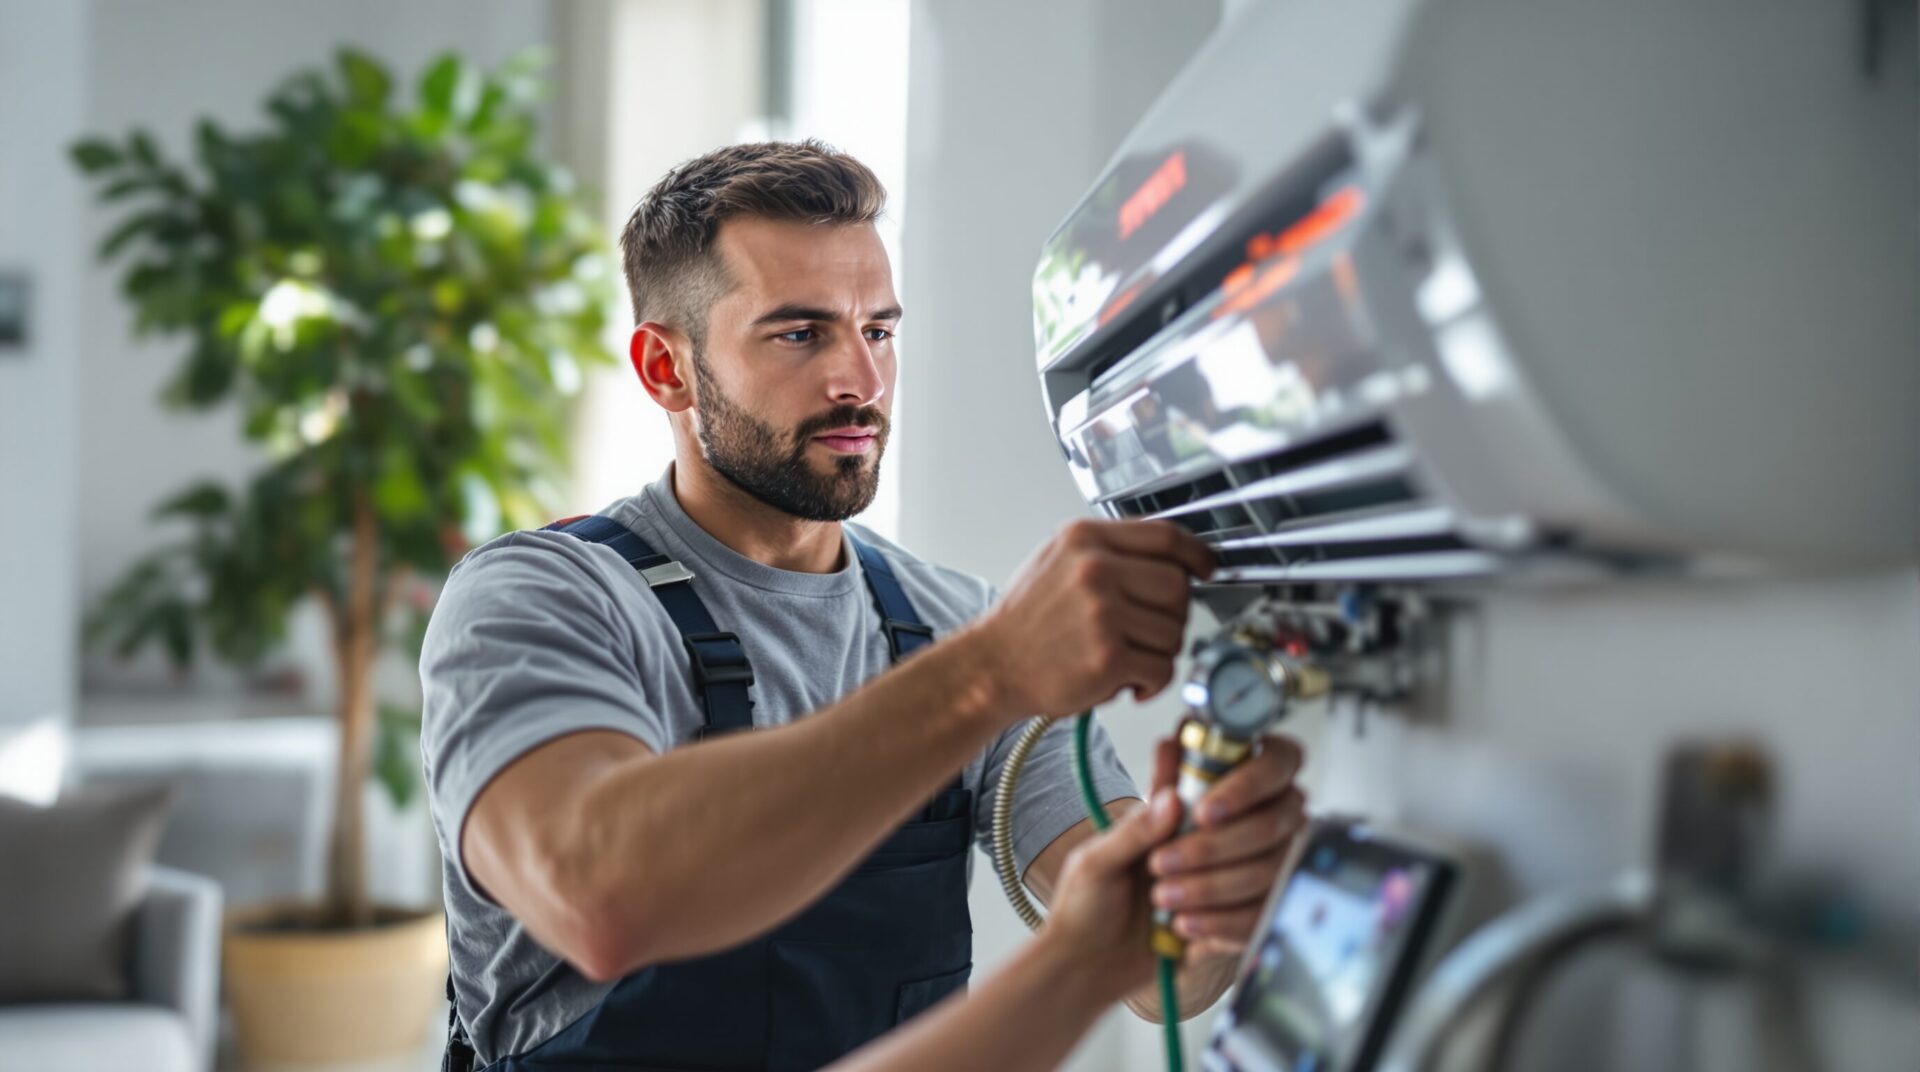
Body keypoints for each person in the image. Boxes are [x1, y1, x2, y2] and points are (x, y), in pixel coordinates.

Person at [420, 140, 1307, 1072]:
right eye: (800, 334)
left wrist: (1209, 882)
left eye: (878, 331)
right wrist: (992, 674)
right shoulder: (540, 600)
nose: (863, 382)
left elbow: (1158, 965)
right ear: (664, 369)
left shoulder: (956, 622)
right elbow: (597, 893)